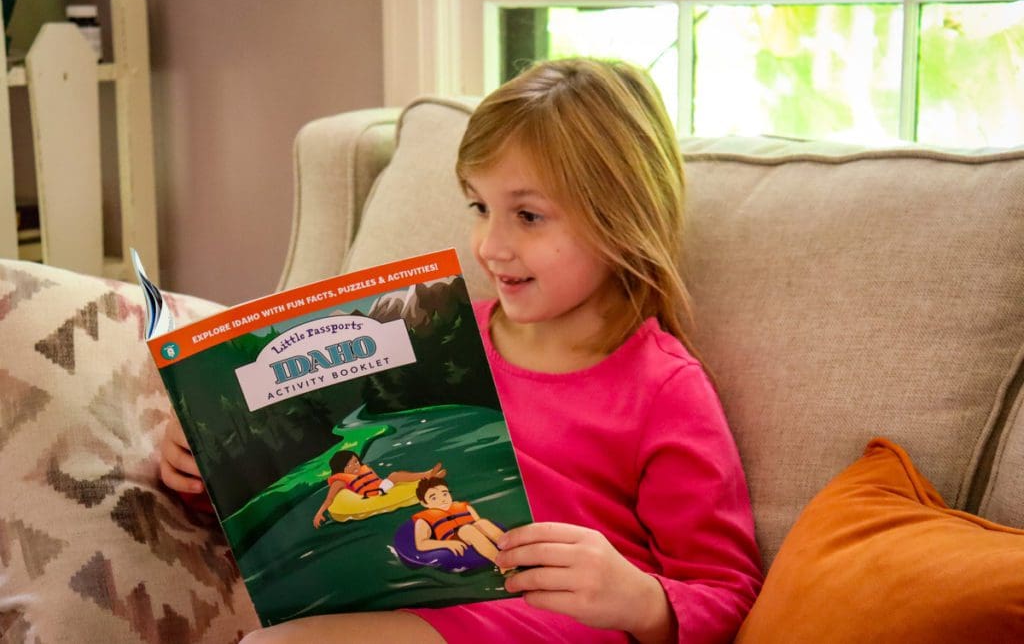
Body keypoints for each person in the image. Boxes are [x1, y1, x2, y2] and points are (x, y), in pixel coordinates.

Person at [162, 57, 763, 643]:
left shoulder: (663, 388)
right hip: (413, 599)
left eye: (528, 215)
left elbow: (728, 595)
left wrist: (636, 597)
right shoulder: (431, 337)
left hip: (546, 624)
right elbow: (312, 513)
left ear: (620, 218)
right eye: (479, 207)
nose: (489, 244)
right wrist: (210, 468)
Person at [312, 451, 445, 529]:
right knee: (394, 476)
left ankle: (428, 475)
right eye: (349, 465)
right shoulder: (340, 481)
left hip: (380, 489)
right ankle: (428, 476)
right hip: (370, 496)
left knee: (394, 476)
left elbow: (377, 480)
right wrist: (319, 513)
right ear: (341, 468)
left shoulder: (366, 468)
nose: (355, 466)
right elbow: (329, 499)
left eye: (356, 461)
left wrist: (387, 488)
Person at [411, 476, 508, 574]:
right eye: (434, 497)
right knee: (467, 529)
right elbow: (421, 543)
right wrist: (448, 544)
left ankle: (510, 547)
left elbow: (478, 522)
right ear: (424, 503)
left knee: (482, 523)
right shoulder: (423, 519)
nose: (442, 500)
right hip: (454, 538)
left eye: (445, 494)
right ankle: (503, 564)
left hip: (473, 534)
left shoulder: (462, 506)